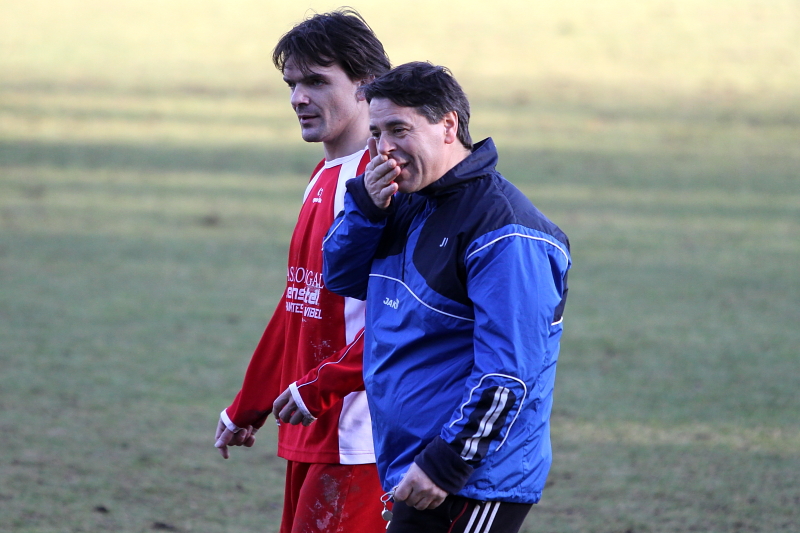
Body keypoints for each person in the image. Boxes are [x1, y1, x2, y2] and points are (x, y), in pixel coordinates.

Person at [322, 62, 572, 533]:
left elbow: (508, 373)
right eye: (375, 133)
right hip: (415, 465)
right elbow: (343, 278)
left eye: (399, 129)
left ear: (448, 126)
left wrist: (446, 464)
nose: (383, 148)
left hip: (470, 482)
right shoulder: (407, 201)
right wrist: (366, 210)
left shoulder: (506, 232)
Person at [213, 10, 391, 533]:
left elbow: (402, 318)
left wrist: (321, 388)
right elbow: (300, 303)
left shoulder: (381, 182)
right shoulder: (324, 174)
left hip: (360, 437)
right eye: (291, 84)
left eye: (316, 81)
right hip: (312, 424)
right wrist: (249, 405)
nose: (297, 98)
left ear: (366, 85)